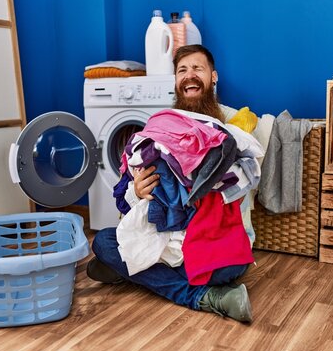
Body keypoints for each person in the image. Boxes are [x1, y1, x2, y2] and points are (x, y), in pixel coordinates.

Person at [86, 45, 253, 323]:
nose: (190, 76)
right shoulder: (161, 127)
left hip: (216, 239)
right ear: (176, 81)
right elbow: (127, 192)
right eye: (182, 70)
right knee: (103, 241)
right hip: (163, 237)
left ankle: (132, 271)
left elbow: (243, 184)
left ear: (214, 77)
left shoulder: (233, 125)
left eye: (197, 68)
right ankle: (207, 296)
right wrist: (136, 191)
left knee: (230, 267)